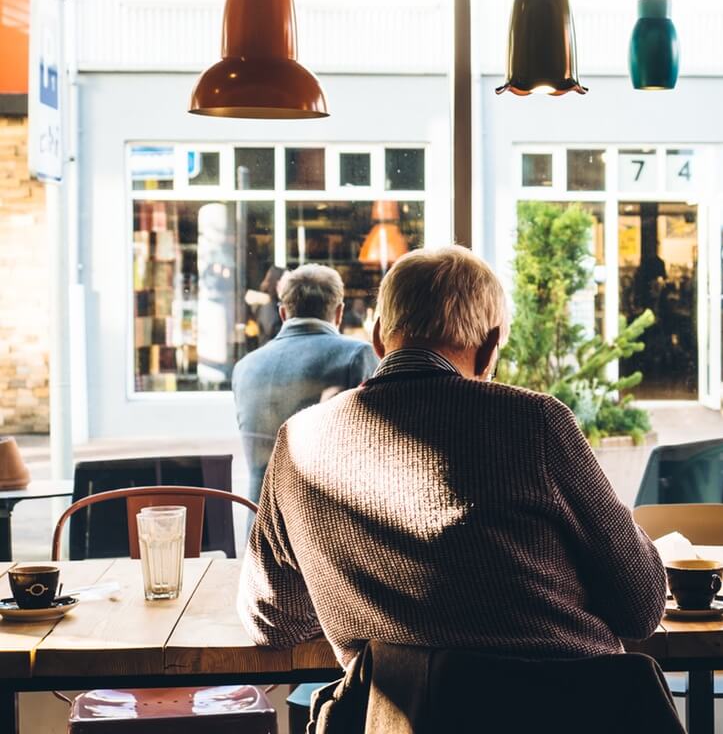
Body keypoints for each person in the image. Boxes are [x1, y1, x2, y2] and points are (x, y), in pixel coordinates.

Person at [237, 245, 666, 666]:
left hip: (400, 718)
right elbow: (641, 606)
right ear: (490, 346)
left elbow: (271, 621)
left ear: (378, 338)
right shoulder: (536, 422)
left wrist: (360, 593)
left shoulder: (299, 442)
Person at [232, 263, 378, 505]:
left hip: (260, 527)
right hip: (323, 527)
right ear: (339, 313)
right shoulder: (356, 356)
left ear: (282, 313)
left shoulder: (245, 367)